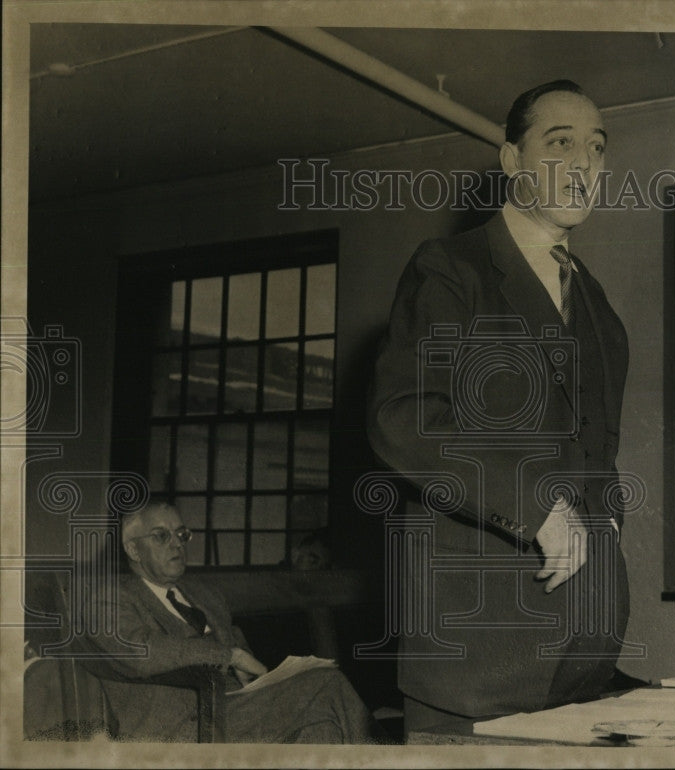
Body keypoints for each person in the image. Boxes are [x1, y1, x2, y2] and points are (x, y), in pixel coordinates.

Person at [368, 80, 631, 735]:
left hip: (583, 657)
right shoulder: (451, 268)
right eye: (560, 143)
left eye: (596, 149)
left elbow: (599, 449)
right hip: (476, 661)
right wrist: (533, 507)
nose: (583, 164)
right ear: (512, 161)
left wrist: (609, 528)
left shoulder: (600, 308)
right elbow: (404, 418)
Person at [89, 500, 380, 743]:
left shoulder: (205, 594)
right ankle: (393, 757)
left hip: (233, 709)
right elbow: (139, 651)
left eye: (181, 535)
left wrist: (265, 676)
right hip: (181, 723)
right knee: (325, 683)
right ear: (133, 549)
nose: (176, 544)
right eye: (161, 536)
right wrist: (228, 656)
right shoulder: (110, 597)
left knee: (320, 726)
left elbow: (241, 650)